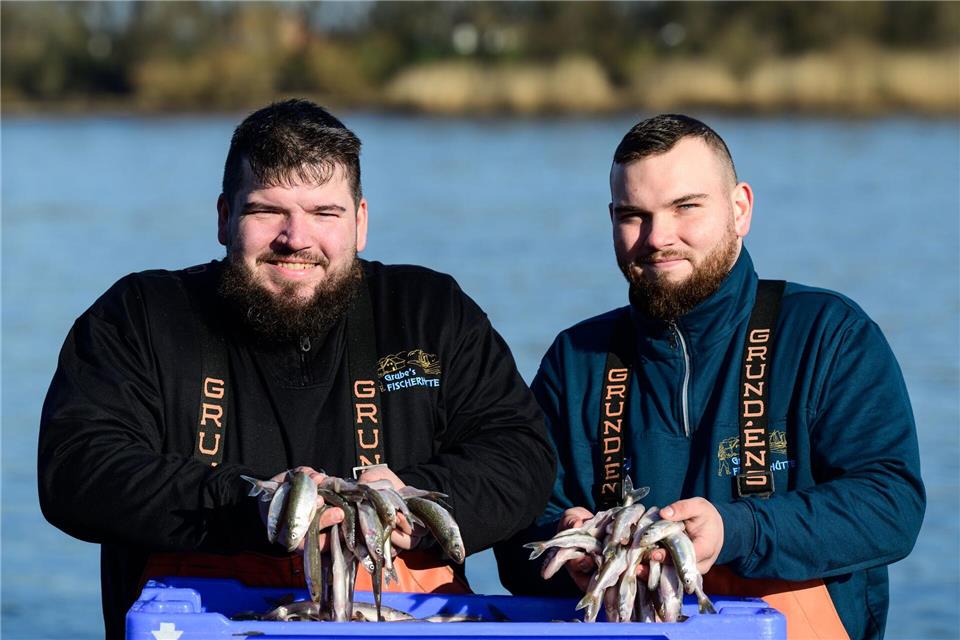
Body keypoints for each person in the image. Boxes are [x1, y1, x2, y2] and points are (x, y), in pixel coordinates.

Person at [38, 99, 555, 639]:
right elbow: (77, 468)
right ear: (223, 217)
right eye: (267, 211)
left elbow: (520, 454)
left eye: (324, 213)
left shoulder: (430, 310)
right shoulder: (141, 315)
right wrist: (251, 503)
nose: (296, 238)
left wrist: (414, 501)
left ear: (360, 222)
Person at [495, 114, 924, 639]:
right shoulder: (575, 358)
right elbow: (517, 534)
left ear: (740, 208)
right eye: (634, 215)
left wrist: (736, 530)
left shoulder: (829, 333)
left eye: (685, 207)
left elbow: (891, 506)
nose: (658, 238)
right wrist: (565, 545)